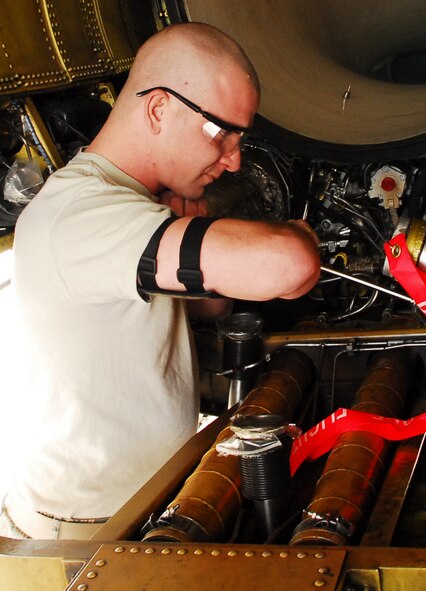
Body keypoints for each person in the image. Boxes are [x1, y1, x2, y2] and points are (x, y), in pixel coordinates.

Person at [0, 22, 321, 540]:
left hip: (153, 496)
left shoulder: (126, 202)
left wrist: (192, 232)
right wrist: (299, 234)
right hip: (90, 528)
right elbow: (291, 265)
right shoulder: (82, 215)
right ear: (157, 109)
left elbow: (206, 308)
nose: (234, 159)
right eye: (221, 133)